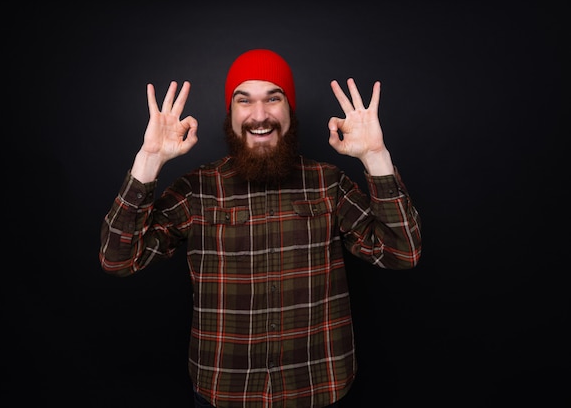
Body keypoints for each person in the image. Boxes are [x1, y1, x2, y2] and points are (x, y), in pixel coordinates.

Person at [99, 49, 422, 408]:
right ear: (231, 112)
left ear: (289, 109)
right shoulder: (198, 189)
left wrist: (375, 156)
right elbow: (118, 259)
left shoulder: (329, 183)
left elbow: (402, 253)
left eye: (273, 98)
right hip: (224, 393)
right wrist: (150, 160)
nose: (260, 115)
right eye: (244, 101)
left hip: (319, 390)